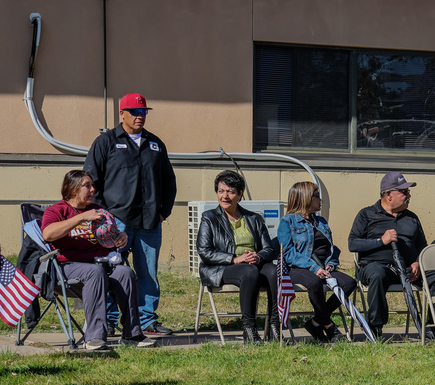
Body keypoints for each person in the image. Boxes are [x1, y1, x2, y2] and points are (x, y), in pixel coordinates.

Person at [84, 92, 177, 337]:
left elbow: (169, 181)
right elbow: (91, 182)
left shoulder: (155, 144)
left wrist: (163, 212)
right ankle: (111, 319)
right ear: (122, 113)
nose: (140, 116)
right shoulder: (106, 142)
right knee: (112, 269)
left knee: (148, 273)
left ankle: (146, 319)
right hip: (116, 222)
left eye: (143, 112)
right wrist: (102, 214)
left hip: (149, 222)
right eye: (135, 112)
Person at [40, 170, 156, 351]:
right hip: (67, 266)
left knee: (125, 272)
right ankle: (94, 338)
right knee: (95, 272)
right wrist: (81, 217)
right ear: (72, 189)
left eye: (93, 185)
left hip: (100, 264)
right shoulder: (57, 210)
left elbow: (112, 233)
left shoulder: (99, 210)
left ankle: (132, 334)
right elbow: (48, 234)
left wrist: (121, 237)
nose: (93, 189)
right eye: (87, 185)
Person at [348, 171, 435, 341]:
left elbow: (422, 247)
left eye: (408, 192)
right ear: (388, 194)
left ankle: (434, 328)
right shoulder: (366, 214)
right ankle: (375, 329)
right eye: (404, 192)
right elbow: (353, 243)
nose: (408, 195)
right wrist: (381, 241)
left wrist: (418, 263)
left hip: (407, 270)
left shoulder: (411, 218)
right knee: (377, 274)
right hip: (377, 267)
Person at [196, 170, 279, 345]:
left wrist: (258, 256)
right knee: (249, 272)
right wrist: (234, 259)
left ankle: (274, 326)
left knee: (273, 271)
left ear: (240, 194)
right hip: (221, 267)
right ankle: (249, 329)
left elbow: (270, 249)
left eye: (231, 192)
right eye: (221, 191)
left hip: (252, 264)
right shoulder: (209, 218)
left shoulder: (254, 218)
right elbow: (204, 251)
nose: (224, 196)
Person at [279, 181, 357, 343]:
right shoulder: (287, 222)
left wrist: (331, 263)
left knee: (349, 283)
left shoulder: (321, 221)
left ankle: (316, 322)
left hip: (323, 267)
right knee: (314, 283)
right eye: (317, 196)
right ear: (305, 198)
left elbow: (331, 248)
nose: (321, 200)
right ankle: (328, 325)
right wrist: (314, 268)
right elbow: (288, 253)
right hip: (298, 268)